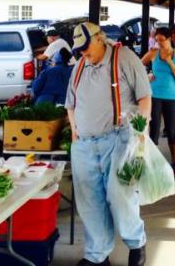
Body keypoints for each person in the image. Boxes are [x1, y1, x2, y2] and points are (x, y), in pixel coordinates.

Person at [65, 22, 152, 266]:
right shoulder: (80, 65)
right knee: (89, 202)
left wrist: (140, 133)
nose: (83, 53)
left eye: (85, 47)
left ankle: (136, 241)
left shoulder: (124, 58)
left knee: (120, 196)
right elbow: (70, 104)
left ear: (99, 39)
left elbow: (145, 97)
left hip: (119, 139)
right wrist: (74, 131)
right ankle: (97, 255)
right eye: (79, 49)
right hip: (84, 144)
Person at [141, 26, 175, 176]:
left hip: (171, 97)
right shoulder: (153, 52)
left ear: (169, 39)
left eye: (161, 40)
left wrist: (170, 62)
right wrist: (147, 75)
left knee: (171, 132)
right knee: (153, 132)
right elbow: (138, 66)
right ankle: (151, 163)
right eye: (156, 39)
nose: (158, 42)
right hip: (154, 96)